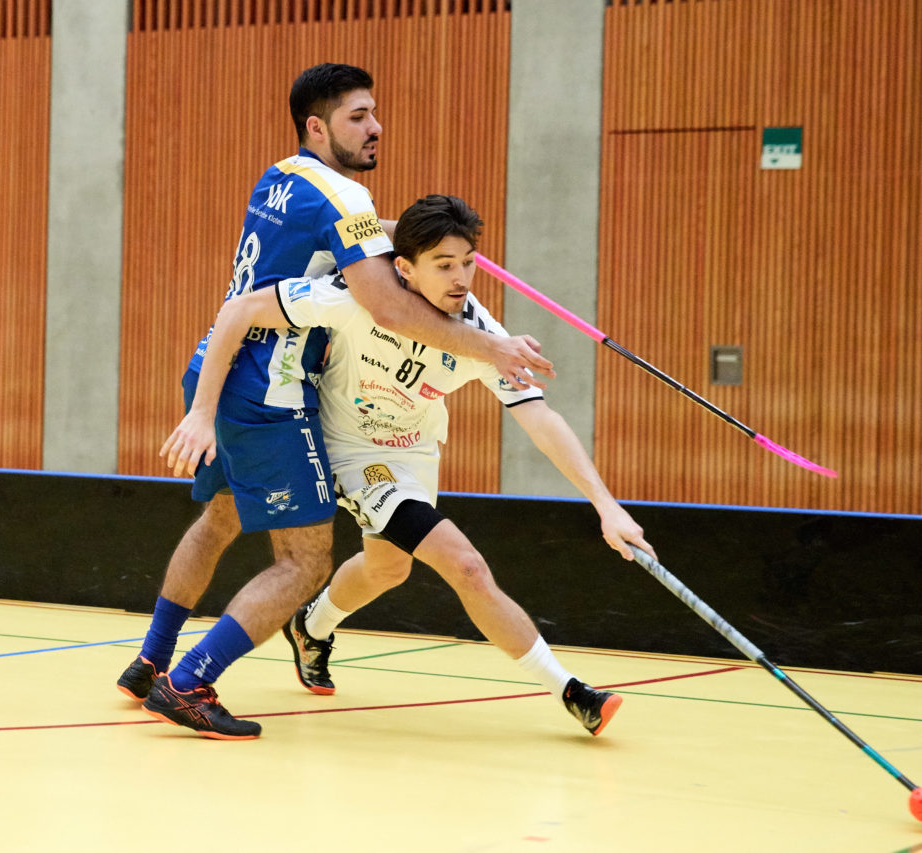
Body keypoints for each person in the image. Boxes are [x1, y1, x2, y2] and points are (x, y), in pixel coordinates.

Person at [116, 64, 553, 740]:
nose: (375, 127)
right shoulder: (345, 193)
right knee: (304, 562)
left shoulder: (281, 176)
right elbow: (385, 304)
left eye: (375, 114)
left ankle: (149, 658)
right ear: (317, 126)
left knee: (219, 520)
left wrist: (409, 231)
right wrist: (486, 346)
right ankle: (189, 681)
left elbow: (345, 239)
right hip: (269, 390)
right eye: (358, 116)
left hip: (217, 363)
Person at [177, 194, 657, 736]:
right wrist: (201, 410)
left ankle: (312, 626)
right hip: (354, 453)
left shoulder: (483, 337)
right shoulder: (355, 296)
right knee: (466, 565)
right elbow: (242, 309)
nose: (461, 278)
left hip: (415, 456)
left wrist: (606, 505)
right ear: (403, 268)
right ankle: (570, 690)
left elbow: (539, 418)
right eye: (444, 265)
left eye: (468, 262)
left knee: (388, 568)